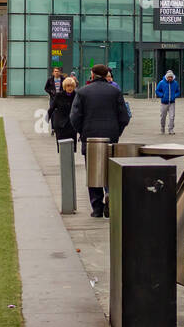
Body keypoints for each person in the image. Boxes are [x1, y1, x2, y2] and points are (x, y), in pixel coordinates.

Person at [70, 64, 130, 217]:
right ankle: (110, 194)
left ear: (92, 74)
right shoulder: (115, 91)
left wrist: (82, 132)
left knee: (92, 171)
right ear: (106, 75)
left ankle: (97, 207)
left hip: (90, 137)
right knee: (111, 169)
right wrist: (117, 132)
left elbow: (74, 116)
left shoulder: (83, 92)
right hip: (110, 137)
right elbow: (124, 116)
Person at [49, 75, 78, 147]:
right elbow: (52, 108)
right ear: (65, 86)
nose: (70, 88)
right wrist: (46, 119)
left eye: (71, 86)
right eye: (68, 86)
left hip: (72, 126)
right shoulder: (59, 95)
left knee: (71, 148)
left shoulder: (77, 96)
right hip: (60, 125)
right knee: (62, 148)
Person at [155, 69, 180, 135]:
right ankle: (162, 127)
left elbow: (178, 91)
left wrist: (175, 96)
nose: (170, 78)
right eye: (169, 77)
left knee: (172, 116)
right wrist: (161, 95)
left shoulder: (175, 83)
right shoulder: (161, 83)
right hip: (164, 103)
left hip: (172, 102)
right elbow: (157, 90)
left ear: (173, 77)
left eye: (171, 77)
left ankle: (171, 129)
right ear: (166, 77)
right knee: (163, 117)